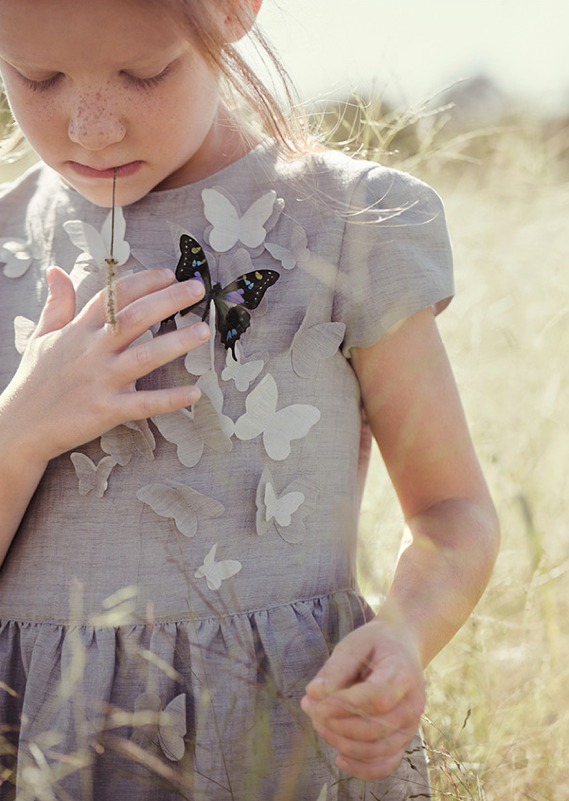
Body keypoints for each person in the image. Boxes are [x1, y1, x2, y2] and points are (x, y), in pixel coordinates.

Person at [0, 0, 499, 799]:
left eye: (143, 73)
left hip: (275, 736)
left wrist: (405, 639)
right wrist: (21, 430)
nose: (89, 127)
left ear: (232, 10)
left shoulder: (345, 225)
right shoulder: (7, 242)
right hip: (37, 740)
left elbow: (451, 510)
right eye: (38, 77)